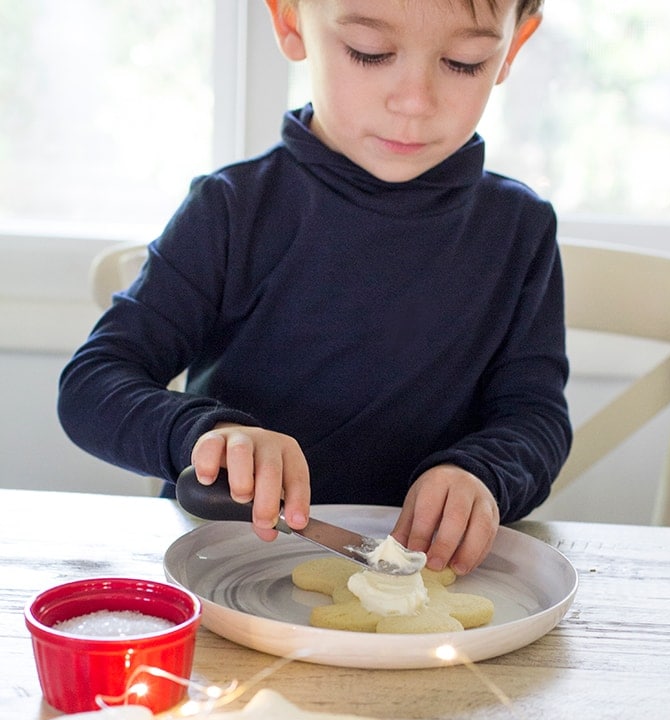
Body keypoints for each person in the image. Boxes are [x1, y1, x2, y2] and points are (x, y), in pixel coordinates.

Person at [58, 0, 570, 575]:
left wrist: (482, 473)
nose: (414, 102)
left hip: (427, 583)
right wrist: (208, 433)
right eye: (368, 52)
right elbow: (91, 386)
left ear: (513, 48)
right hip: (229, 573)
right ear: (289, 21)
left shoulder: (520, 229)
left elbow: (535, 416)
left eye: (463, 62)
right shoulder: (231, 210)